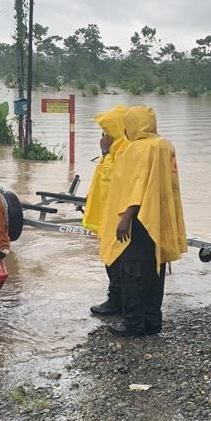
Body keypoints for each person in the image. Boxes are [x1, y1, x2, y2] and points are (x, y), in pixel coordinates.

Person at [99, 106, 187, 336]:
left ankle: (134, 324)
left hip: (138, 220)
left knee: (133, 273)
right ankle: (152, 322)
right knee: (154, 271)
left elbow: (137, 185)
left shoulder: (137, 149)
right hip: (157, 218)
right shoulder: (164, 145)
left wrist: (126, 217)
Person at [82, 105, 129, 316]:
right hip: (109, 217)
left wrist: (105, 151)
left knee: (115, 259)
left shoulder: (123, 151)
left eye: (106, 132)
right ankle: (119, 300)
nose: (103, 136)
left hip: (117, 217)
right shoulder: (114, 151)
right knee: (112, 258)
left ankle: (117, 302)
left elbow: (114, 185)